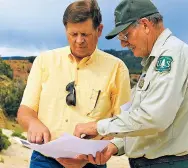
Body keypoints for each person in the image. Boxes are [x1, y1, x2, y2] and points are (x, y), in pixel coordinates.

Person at [73, 0, 188, 168]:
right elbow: (140, 119)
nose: (123, 43)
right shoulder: (153, 62)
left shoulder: (171, 55)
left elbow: (154, 118)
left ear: (145, 25)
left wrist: (98, 127)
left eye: (125, 35)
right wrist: (115, 145)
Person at [17, 0, 131, 168]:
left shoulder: (117, 68)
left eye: (85, 34)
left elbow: (123, 123)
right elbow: (25, 111)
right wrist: (33, 123)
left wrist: (92, 154)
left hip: (92, 162)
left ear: (99, 30)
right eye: (73, 34)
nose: (79, 41)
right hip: (44, 160)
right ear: (66, 30)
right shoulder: (44, 61)